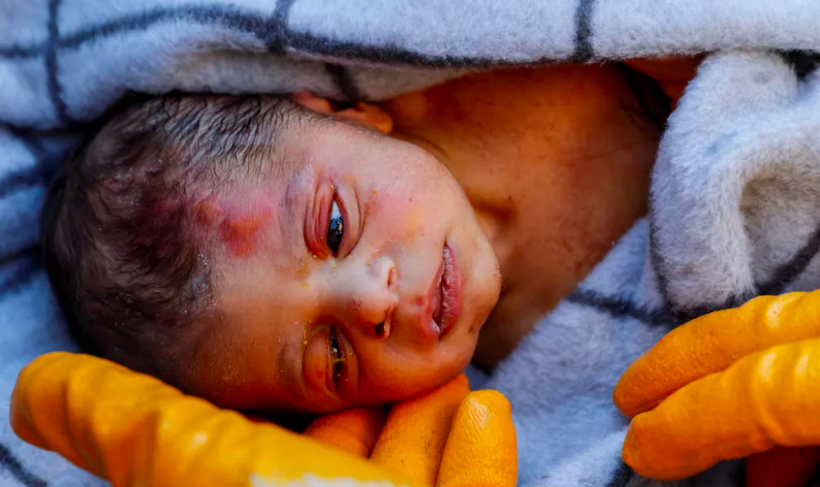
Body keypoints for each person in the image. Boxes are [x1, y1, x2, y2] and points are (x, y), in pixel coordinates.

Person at [41, 59, 696, 414]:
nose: (370, 303)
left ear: (351, 114)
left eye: (332, 226)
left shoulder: (472, 72)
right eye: (331, 358)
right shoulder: (527, 386)